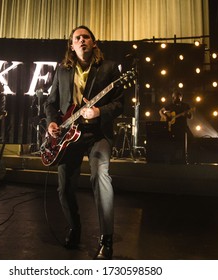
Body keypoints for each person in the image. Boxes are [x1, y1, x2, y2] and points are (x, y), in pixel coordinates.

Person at [44, 26, 124, 259]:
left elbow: (120, 104)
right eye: (77, 38)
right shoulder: (62, 71)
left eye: (86, 37)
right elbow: (51, 103)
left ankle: (106, 238)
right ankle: (75, 228)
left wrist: (98, 111)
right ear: (71, 45)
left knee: (101, 177)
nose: (82, 40)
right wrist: (51, 122)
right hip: (69, 136)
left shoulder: (109, 68)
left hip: (97, 135)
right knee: (64, 187)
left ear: (94, 42)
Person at [159, 90, 193, 164]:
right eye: (174, 97)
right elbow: (161, 111)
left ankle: (188, 157)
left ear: (181, 97)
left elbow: (190, 116)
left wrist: (186, 114)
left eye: (177, 97)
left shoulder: (186, 106)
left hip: (183, 127)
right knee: (172, 142)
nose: (175, 99)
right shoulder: (170, 105)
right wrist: (165, 117)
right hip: (173, 127)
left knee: (190, 139)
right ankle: (173, 158)